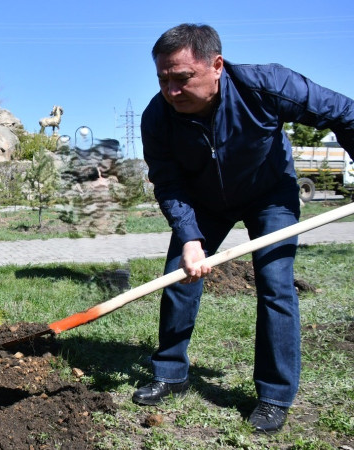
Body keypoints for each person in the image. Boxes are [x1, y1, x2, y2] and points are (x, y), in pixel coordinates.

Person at [136, 23, 354, 434]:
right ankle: (171, 371)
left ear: (216, 65)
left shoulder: (266, 85)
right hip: (203, 201)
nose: (171, 91)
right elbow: (167, 181)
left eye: (182, 78)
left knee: (275, 284)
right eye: (163, 80)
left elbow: (344, 112)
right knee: (178, 277)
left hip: (270, 194)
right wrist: (190, 236)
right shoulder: (157, 116)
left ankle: (274, 395)